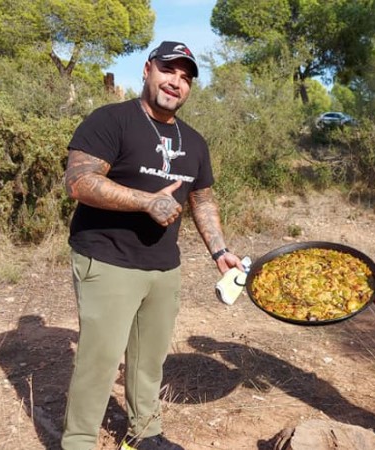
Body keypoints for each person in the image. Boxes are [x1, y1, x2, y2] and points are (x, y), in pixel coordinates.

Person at [61, 40, 243, 450]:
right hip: (107, 259)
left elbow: (202, 198)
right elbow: (79, 181)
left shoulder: (194, 141)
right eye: (168, 70)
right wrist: (145, 201)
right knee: (100, 361)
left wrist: (219, 250)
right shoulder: (111, 120)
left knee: (149, 361)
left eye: (185, 76)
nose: (175, 82)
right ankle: (77, 442)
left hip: (164, 265)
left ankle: (146, 434)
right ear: (147, 70)